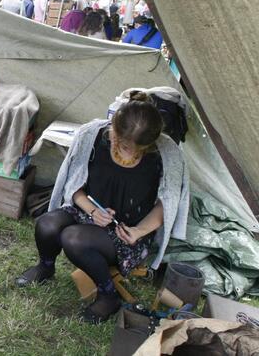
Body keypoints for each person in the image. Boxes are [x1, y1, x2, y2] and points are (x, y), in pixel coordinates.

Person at [16, 91, 189, 323]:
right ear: (114, 130)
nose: (132, 152)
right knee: (47, 225)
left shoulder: (167, 154)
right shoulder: (92, 136)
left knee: (73, 238)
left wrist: (138, 231)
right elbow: (73, 185)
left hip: (129, 231)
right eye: (125, 145)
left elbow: (166, 206)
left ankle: (108, 296)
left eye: (140, 149)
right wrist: (92, 211)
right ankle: (46, 267)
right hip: (87, 210)